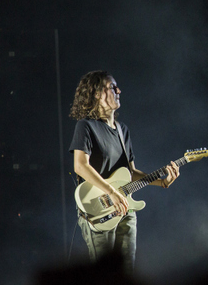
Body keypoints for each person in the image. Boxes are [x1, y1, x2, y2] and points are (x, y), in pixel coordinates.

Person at [68, 71, 180, 273]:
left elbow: (131, 172)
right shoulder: (86, 126)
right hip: (99, 207)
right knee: (104, 275)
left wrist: (161, 182)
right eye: (112, 87)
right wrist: (111, 192)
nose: (119, 91)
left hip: (125, 207)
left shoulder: (122, 130)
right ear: (96, 93)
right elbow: (80, 166)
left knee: (126, 273)